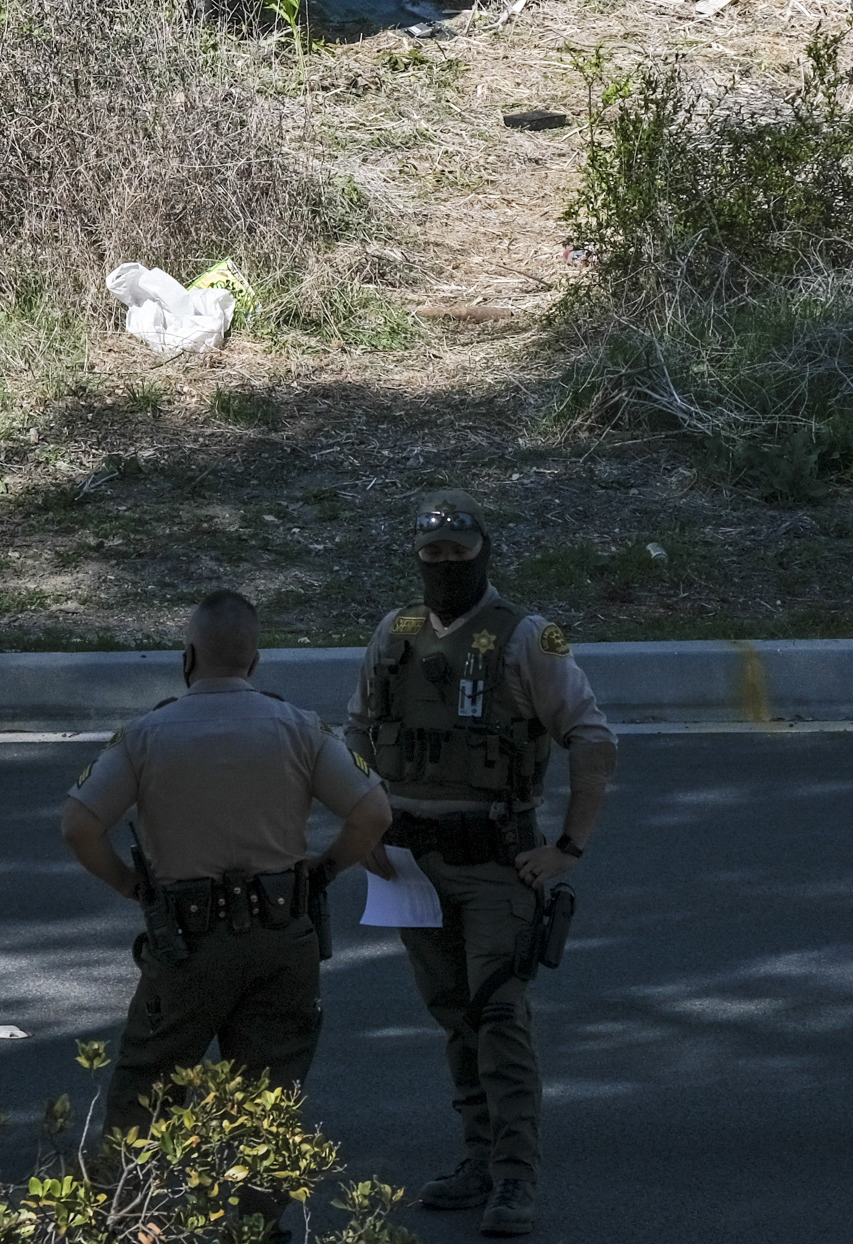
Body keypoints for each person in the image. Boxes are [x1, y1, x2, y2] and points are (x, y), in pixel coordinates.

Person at [346, 491, 615, 1239]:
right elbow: (358, 732)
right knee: (453, 1015)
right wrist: (365, 822)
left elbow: (594, 741)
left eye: (458, 553)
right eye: (431, 554)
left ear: (483, 552)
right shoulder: (392, 633)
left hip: (498, 858)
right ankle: (477, 1158)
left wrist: (567, 849)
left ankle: (515, 1176)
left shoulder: (531, 637)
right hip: (409, 861)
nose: (444, 566)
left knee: (498, 1011)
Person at [61, 588, 395, 1150]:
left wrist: (126, 882)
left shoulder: (147, 734)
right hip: (281, 935)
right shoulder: (300, 727)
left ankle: (127, 1221)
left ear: (187, 657)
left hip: (187, 944)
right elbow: (372, 812)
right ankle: (259, 1223)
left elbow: (78, 824)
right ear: (255, 661)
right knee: (269, 1099)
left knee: (147, 1093)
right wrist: (325, 868)